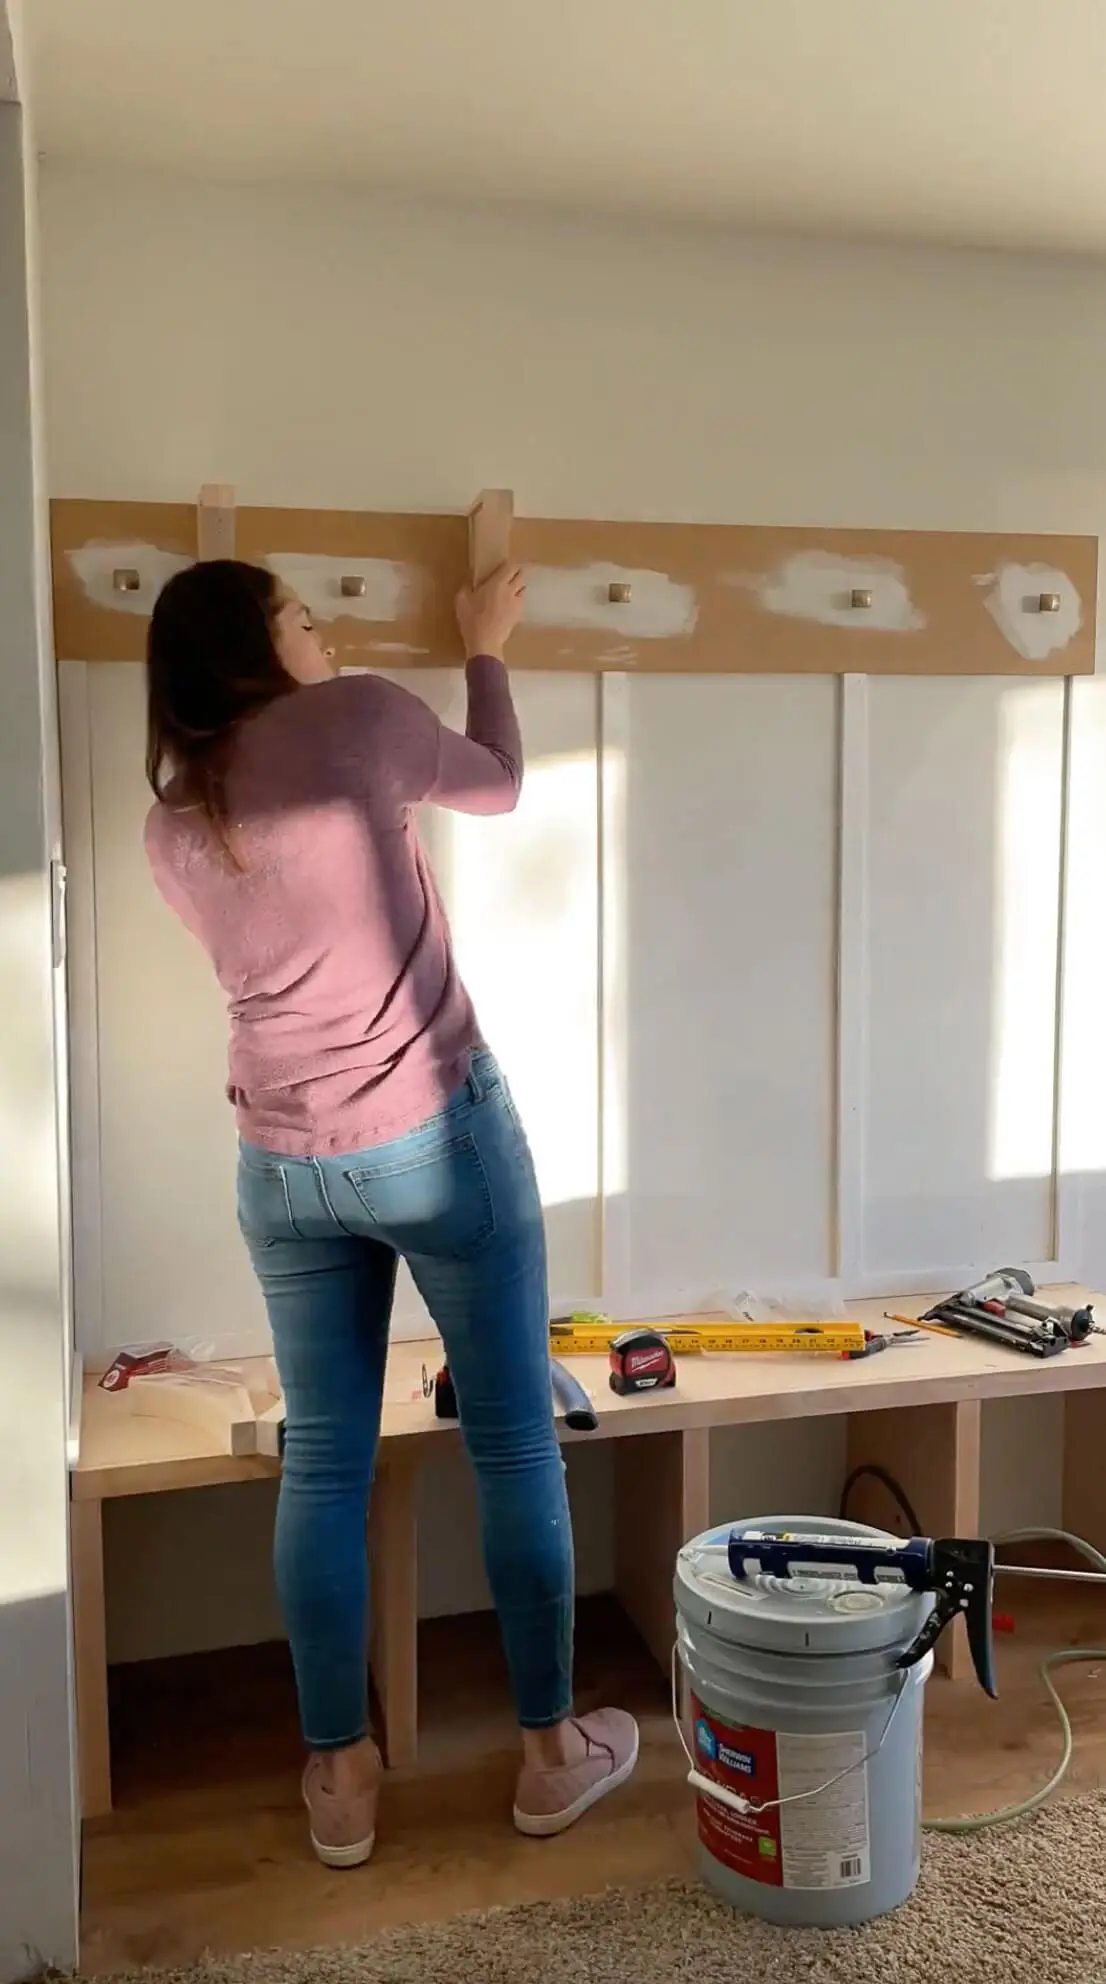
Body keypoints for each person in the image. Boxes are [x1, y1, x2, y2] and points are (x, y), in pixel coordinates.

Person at [143, 557, 638, 1868]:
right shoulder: (357, 717)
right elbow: (499, 779)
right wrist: (483, 645)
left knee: (324, 1459)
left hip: (279, 1168)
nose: (330, 630)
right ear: (255, 647)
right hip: (431, 1140)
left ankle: (339, 1779)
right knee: (513, 1441)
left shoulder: (173, 821)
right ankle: (547, 1758)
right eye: (303, 617)